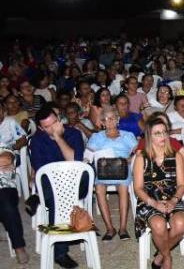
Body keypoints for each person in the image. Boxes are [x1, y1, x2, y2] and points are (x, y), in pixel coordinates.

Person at [30, 104, 85, 268]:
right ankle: (60, 252)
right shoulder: (37, 141)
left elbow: (75, 163)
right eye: (47, 127)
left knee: (56, 193)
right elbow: (42, 172)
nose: (53, 128)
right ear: (40, 128)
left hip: (75, 183)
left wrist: (59, 138)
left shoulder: (73, 134)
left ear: (59, 120)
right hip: (52, 185)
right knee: (55, 195)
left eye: (55, 123)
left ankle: (37, 198)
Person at [133, 118, 184, 269]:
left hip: (172, 197)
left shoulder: (176, 156)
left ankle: (160, 255)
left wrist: (173, 201)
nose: (163, 136)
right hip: (149, 199)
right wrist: (154, 203)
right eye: (157, 133)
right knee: (158, 224)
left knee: (181, 223)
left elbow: (182, 184)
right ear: (149, 136)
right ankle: (167, 258)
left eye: (164, 132)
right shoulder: (141, 158)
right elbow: (138, 188)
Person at [87, 106, 137, 240]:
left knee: (123, 187)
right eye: (106, 119)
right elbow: (88, 155)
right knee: (99, 188)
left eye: (112, 118)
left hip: (122, 168)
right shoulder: (96, 136)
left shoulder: (128, 135)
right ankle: (110, 228)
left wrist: (129, 160)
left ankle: (122, 228)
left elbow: (140, 152)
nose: (109, 121)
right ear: (102, 122)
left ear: (118, 119)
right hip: (103, 170)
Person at [0, 101, 29, 263]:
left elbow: (5, 159)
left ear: (3, 111)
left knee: (6, 204)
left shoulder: (10, 123)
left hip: (4, 183)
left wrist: (12, 147)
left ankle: (19, 246)